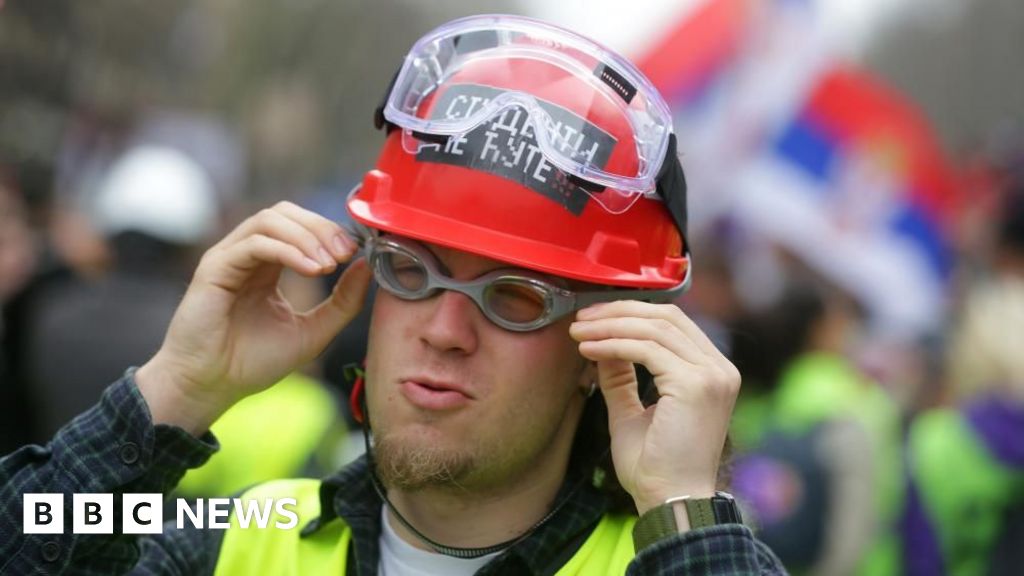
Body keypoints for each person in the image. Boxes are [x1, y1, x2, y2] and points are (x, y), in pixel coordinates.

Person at [0, 15, 785, 575]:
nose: (444, 329)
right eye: (411, 269)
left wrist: (684, 508)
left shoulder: (666, 558)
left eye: (512, 297)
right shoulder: (250, 530)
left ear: (601, 350)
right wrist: (174, 389)